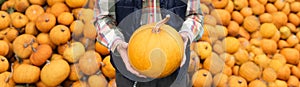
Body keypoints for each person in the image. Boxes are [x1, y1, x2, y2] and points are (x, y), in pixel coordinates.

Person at [94, 0, 204, 87]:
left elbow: (195, 16)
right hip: (128, 67)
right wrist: (117, 43)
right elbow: (102, 18)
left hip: (175, 68)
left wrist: (186, 33)